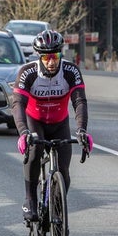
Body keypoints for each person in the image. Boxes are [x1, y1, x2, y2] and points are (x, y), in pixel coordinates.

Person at [11, 30, 92, 222]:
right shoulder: (28, 73)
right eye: (46, 57)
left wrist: (81, 130)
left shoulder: (71, 71)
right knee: (35, 150)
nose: (51, 61)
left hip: (59, 123)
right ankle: (29, 200)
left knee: (63, 172)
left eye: (55, 56)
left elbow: (80, 102)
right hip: (35, 121)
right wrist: (23, 132)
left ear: (60, 55)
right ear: (39, 56)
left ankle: (56, 206)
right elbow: (18, 104)